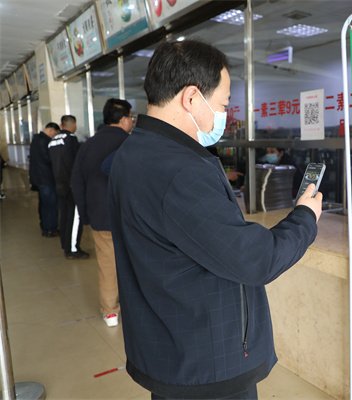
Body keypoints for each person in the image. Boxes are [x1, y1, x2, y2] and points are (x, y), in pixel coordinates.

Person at [108, 40, 322, 400]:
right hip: (206, 366)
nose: (224, 115)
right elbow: (254, 260)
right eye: (223, 104)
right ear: (191, 97)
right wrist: (305, 218)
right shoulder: (179, 170)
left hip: (170, 352)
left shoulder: (133, 152)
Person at [71, 99, 133, 327]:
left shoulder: (88, 144)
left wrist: (85, 212)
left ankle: (110, 312)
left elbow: (76, 181)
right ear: (124, 119)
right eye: (131, 117)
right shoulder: (130, 143)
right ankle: (135, 308)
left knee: (107, 264)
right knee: (134, 263)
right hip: (129, 216)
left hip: (100, 214)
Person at [48, 115, 89, 259]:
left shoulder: (53, 140)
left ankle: (65, 244)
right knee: (75, 217)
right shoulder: (71, 139)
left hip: (58, 183)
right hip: (71, 185)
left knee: (64, 215)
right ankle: (72, 249)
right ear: (72, 125)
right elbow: (76, 163)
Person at [29, 122, 61, 236]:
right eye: (55, 134)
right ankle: (50, 229)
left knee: (44, 204)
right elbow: (48, 159)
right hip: (46, 178)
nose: (54, 136)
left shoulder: (36, 139)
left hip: (39, 178)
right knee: (50, 204)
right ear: (51, 130)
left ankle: (45, 226)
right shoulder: (45, 141)